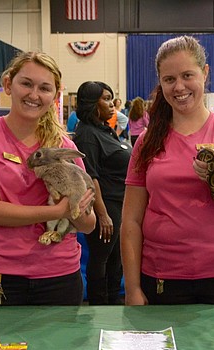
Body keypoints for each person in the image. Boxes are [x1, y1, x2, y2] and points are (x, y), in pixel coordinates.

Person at [121, 35, 214, 306]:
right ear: (160, 82)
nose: (179, 87)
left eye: (187, 75)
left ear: (205, 73)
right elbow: (131, 221)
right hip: (163, 275)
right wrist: (132, 289)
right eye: (169, 79)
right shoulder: (147, 142)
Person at [0, 51, 96, 306]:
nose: (34, 95)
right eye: (26, 84)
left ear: (54, 95)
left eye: (44, 88)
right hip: (2, 275)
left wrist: (75, 208)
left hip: (60, 276)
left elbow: (88, 224)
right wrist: (58, 211)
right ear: (8, 84)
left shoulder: (63, 146)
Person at [72, 81, 132, 304]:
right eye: (106, 99)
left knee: (116, 259)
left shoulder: (104, 129)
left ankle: (113, 303)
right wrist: (103, 214)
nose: (112, 104)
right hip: (104, 204)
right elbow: (91, 176)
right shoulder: (87, 134)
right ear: (92, 103)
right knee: (101, 258)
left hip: (118, 203)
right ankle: (99, 305)